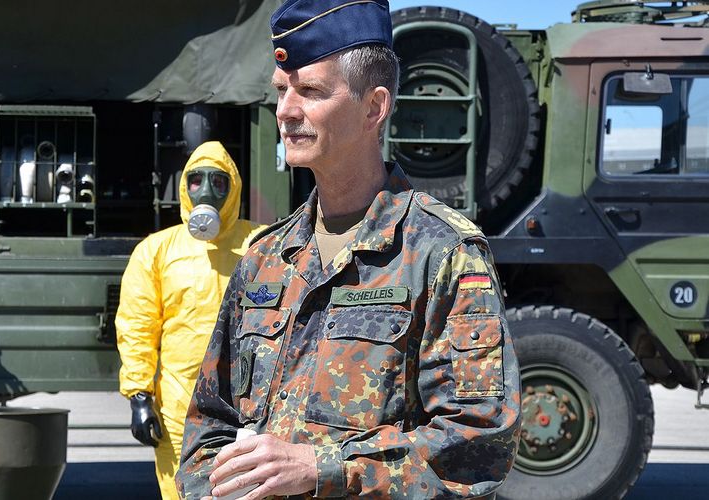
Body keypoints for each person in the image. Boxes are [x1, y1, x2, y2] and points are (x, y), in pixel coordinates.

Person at [176, 1, 521, 498]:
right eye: (280, 91)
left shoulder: (442, 253)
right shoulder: (265, 256)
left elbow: (479, 441)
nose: (286, 111)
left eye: (310, 91)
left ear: (374, 107)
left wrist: (325, 469)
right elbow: (209, 422)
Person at [116, 141, 265, 500]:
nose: (207, 192)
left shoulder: (261, 242)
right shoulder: (156, 250)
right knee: (178, 491)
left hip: (246, 404)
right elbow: (137, 325)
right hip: (177, 404)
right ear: (184, 187)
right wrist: (139, 395)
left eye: (218, 182)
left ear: (234, 188)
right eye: (196, 181)